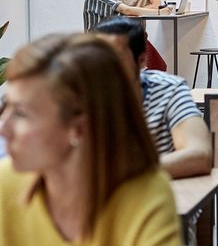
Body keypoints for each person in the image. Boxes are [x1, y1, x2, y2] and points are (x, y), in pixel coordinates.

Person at [0, 34, 181, 245]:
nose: (3, 128)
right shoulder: (7, 182)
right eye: (5, 106)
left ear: (79, 129)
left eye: (21, 113)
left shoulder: (143, 195)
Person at [94, 17, 212, 179]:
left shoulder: (169, 90)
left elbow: (200, 155)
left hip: (155, 195)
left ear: (142, 60)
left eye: (115, 58)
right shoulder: (84, 95)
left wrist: (121, 174)